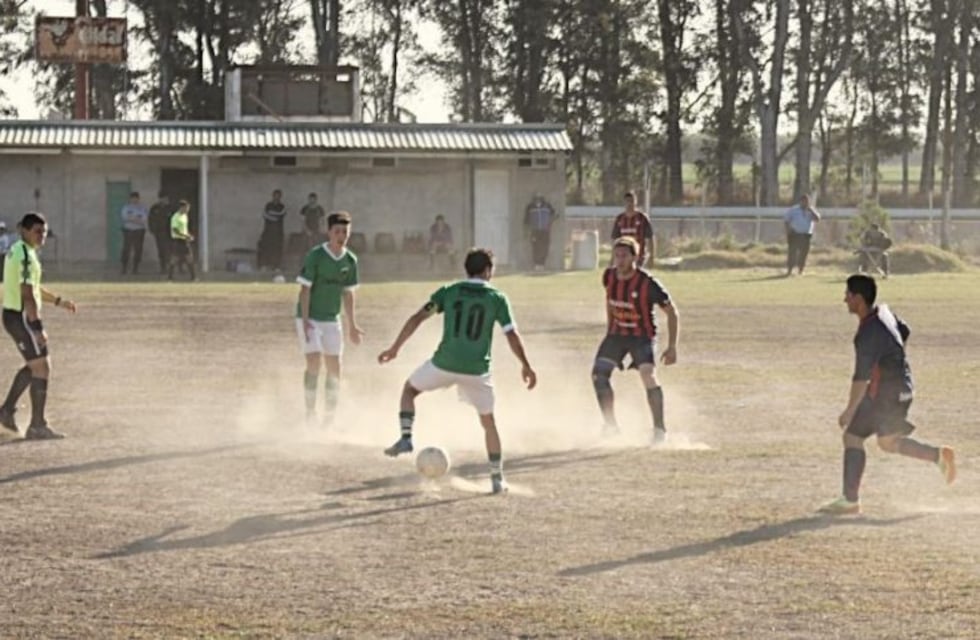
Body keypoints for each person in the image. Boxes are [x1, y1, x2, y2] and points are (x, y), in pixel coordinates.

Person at [378, 248, 537, 494]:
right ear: (488, 271)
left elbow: (417, 318)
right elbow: (512, 335)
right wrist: (525, 365)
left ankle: (406, 437)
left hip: (444, 364)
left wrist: (395, 348)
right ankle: (497, 479)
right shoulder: (497, 297)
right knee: (488, 423)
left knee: (409, 390)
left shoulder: (449, 291)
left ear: (467, 269)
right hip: (477, 370)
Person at [818, 274, 956, 515]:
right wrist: (893, 359)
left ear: (858, 298)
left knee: (853, 437)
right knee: (887, 442)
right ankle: (937, 456)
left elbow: (860, 378)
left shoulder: (868, 334)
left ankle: (850, 501)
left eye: (848, 294)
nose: (844, 299)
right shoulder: (884, 312)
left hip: (886, 394)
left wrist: (849, 410)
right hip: (900, 388)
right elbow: (904, 330)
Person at [592, 237, 679, 444]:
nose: (619, 260)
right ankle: (611, 426)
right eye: (617, 255)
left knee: (648, 375)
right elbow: (610, 301)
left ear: (635, 257)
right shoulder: (609, 276)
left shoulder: (648, 283)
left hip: (642, 336)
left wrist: (672, 347)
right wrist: (609, 329)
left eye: (624, 256)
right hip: (617, 335)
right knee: (598, 375)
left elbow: (672, 312)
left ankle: (659, 431)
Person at [0, 212, 77, 439]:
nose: (42, 235)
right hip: (21, 316)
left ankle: (6, 411)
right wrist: (37, 328)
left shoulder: (23, 250)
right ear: (24, 230)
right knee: (41, 367)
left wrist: (58, 301)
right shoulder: (24, 254)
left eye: (44, 231)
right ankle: (36, 426)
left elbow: (33, 287)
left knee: (36, 365)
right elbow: (27, 294)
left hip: (16, 315)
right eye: (37, 231)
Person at [296, 211, 364, 427]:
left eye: (345, 232)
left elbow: (348, 294)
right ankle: (310, 413)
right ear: (329, 232)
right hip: (310, 318)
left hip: (331, 319)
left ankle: (329, 417)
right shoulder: (316, 256)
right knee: (314, 361)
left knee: (335, 368)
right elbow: (305, 290)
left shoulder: (350, 260)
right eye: (337, 231)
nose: (341, 236)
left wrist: (352, 325)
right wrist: (305, 320)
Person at [611, 191, 655, 268]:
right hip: (623, 258)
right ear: (624, 203)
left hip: (639, 257)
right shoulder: (619, 219)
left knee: (637, 274)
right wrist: (613, 257)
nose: (629, 204)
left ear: (636, 202)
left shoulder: (642, 218)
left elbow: (650, 238)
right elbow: (615, 240)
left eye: (632, 201)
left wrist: (651, 256)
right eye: (627, 201)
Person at [783, 194, 821, 276]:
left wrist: (811, 211)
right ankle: (789, 270)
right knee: (792, 253)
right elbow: (786, 220)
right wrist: (788, 231)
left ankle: (800, 270)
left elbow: (817, 219)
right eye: (803, 201)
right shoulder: (793, 210)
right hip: (795, 234)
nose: (805, 203)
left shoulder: (811, 211)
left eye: (807, 201)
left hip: (806, 235)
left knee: (804, 253)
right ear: (800, 201)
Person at [524, 195, 556, 271]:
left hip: (545, 230)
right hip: (535, 231)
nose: (538, 201)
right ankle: (537, 264)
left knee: (545, 247)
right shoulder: (530, 207)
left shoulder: (547, 206)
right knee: (535, 247)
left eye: (539, 199)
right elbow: (526, 219)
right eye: (536, 199)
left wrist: (550, 222)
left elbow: (553, 214)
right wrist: (527, 230)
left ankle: (542, 263)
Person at [120, 191, 148, 275]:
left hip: (139, 231)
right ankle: (124, 268)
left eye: (136, 198)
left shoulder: (142, 208)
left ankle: (135, 268)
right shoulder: (126, 208)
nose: (134, 200)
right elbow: (125, 218)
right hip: (128, 230)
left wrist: (132, 219)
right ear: (130, 199)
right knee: (126, 249)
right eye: (133, 198)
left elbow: (143, 220)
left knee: (138, 249)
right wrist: (136, 219)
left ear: (138, 199)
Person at [258, 189, 287, 271]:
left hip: (278, 232)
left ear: (280, 197)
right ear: (273, 196)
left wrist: (271, 214)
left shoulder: (282, 206)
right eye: (275, 196)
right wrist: (273, 216)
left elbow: (281, 215)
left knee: (277, 249)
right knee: (266, 247)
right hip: (268, 231)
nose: (276, 198)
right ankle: (264, 265)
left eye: (278, 196)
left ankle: (276, 266)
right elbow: (264, 215)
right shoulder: (268, 205)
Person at [168, 200, 196, 281]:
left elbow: (184, 229)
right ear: (182, 207)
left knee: (190, 258)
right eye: (187, 208)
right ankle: (169, 277)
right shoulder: (175, 217)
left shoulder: (185, 216)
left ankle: (193, 277)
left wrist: (189, 235)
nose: (188, 209)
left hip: (184, 240)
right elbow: (175, 230)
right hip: (177, 240)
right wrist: (185, 235)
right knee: (174, 259)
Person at [148, 192, 172, 273]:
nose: (164, 200)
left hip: (169, 232)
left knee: (169, 250)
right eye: (163, 198)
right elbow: (150, 219)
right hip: (159, 232)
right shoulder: (155, 208)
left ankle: (170, 267)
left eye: (166, 198)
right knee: (161, 250)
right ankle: (163, 267)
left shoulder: (170, 208)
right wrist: (152, 229)